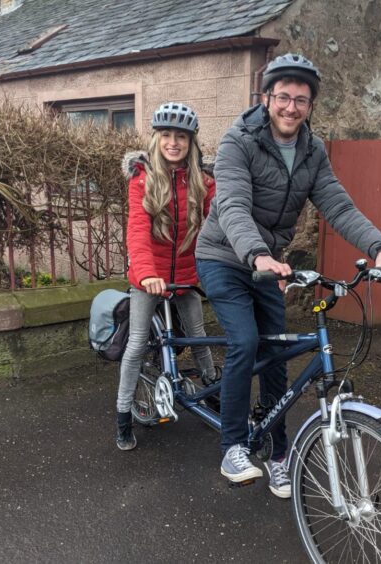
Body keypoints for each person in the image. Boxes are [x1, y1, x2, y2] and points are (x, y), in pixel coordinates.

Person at [194, 53, 381, 498]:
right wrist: (257, 254)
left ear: (311, 106)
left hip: (268, 263)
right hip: (224, 256)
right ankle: (233, 445)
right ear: (267, 97)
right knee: (245, 342)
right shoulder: (240, 140)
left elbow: (338, 205)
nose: (291, 107)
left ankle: (277, 454)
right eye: (283, 97)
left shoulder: (313, 151)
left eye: (301, 100)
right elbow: (232, 204)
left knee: (277, 353)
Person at [116, 102, 216, 451]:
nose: (174, 143)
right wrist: (145, 275)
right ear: (157, 139)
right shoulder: (141, 180)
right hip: (149, 277)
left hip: (187, 276)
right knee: (137, 342)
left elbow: (223, 221)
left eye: (182, 137)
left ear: (191, 143)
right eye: (167, 136)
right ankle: (124, 415)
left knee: (200, 338)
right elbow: (138, 232)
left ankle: (213, 394)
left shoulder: (203, 182)